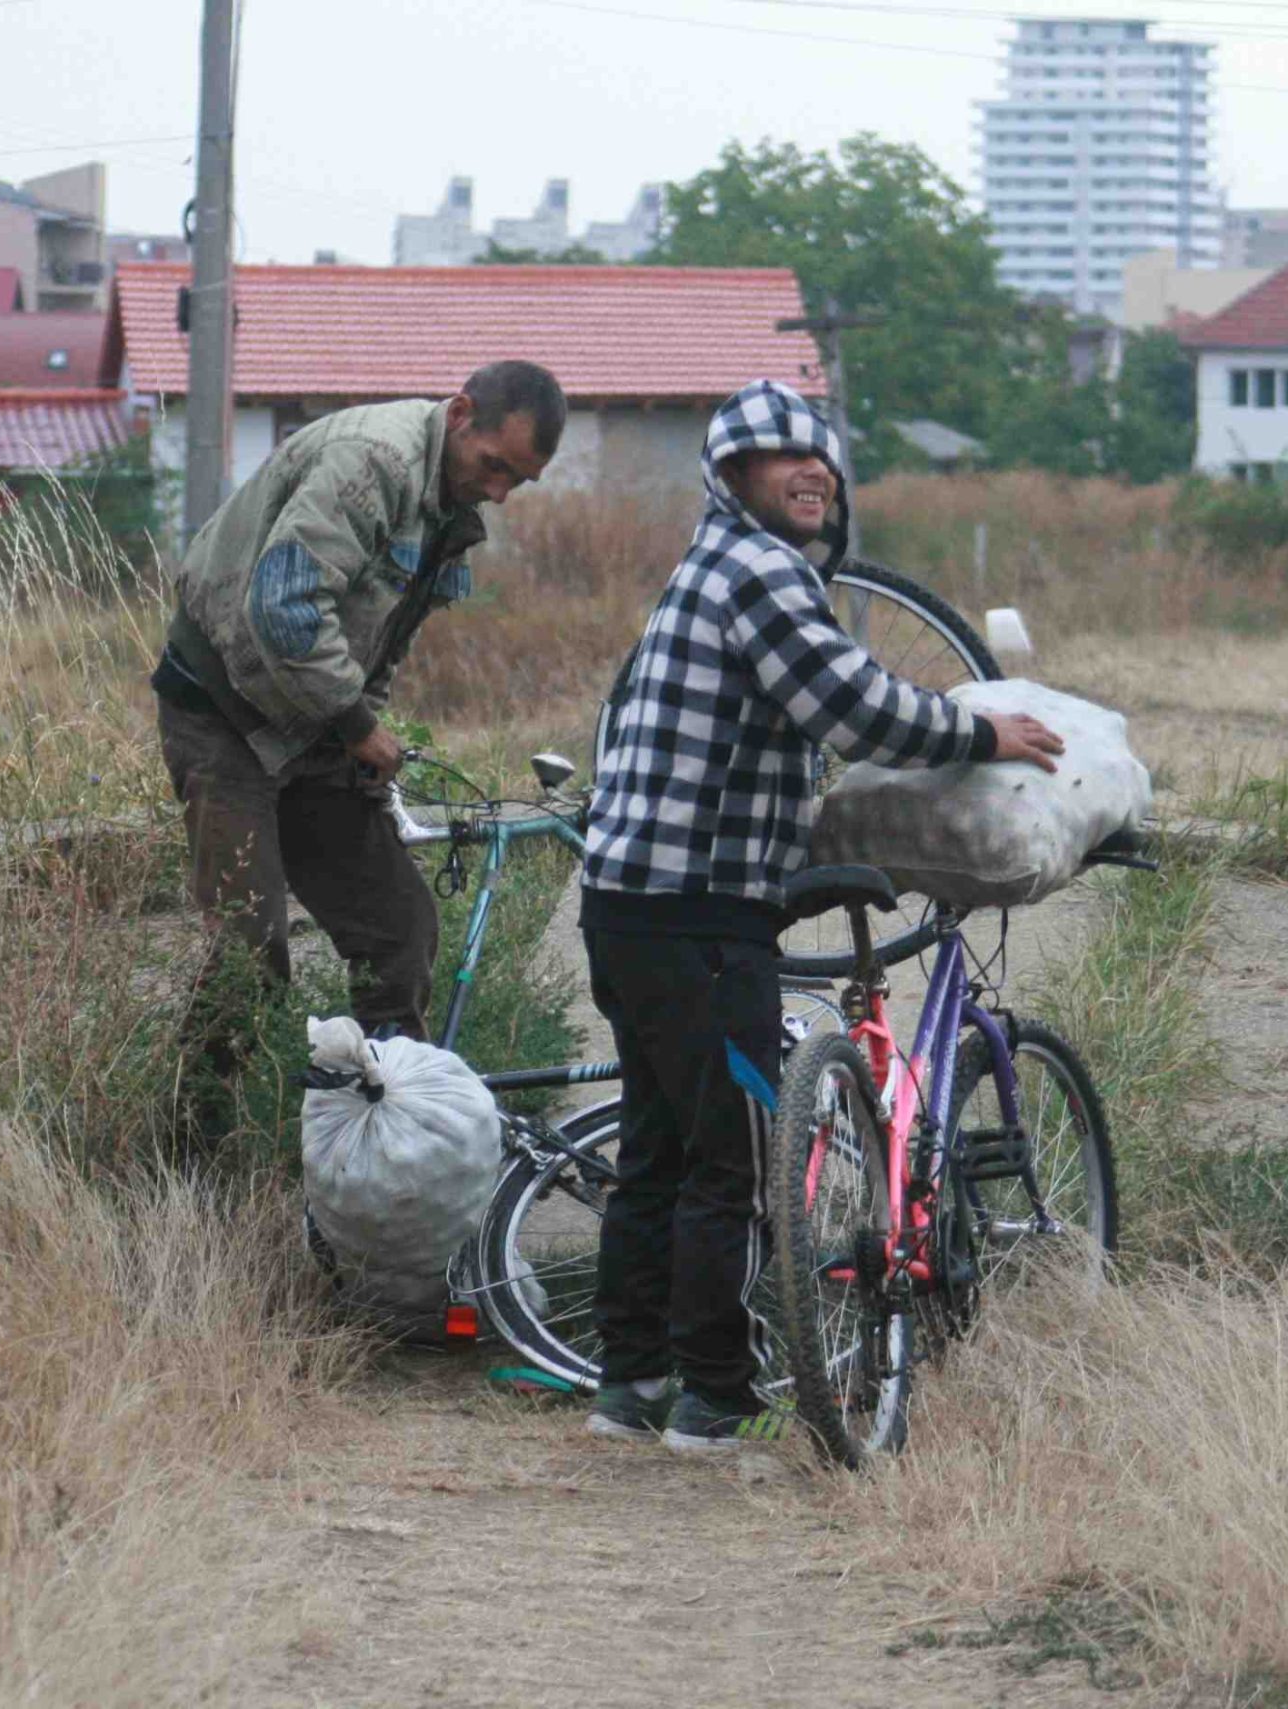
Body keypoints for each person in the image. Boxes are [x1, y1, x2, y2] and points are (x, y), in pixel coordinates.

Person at [578, 379, 1063, 1452]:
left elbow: (789, 729)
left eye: (823, 459)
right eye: (777, 458)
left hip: (630, 907)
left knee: (658, 1151)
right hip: (698, 914)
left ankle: (630, 1383)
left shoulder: (706, 570)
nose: (810, 473)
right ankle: (710, 1396)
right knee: (730, 1158)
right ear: (731, 477)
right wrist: (982, 736)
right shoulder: (757, 572)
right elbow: (847, 701)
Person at [151, 361, 564, 1043]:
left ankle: (382, 1128)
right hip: (222, 711)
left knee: (400, 932)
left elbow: (383, 637)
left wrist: (358, 728)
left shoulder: (449, 502)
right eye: (494, 466)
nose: (498, 491)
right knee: (251, 960)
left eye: (517, 480)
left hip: (313, 721)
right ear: (460, 413)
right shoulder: (371, 462)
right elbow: (283, 609)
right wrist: (356, 723)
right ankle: (194, 1145)